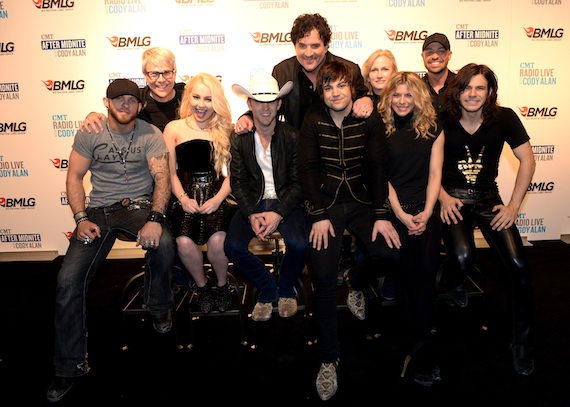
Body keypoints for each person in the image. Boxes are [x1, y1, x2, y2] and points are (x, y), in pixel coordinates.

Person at [46, 78, 175, 402]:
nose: (125, 106)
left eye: (132, 100)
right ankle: (69, 365)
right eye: (119, 100)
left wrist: (155, 220)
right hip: (98, 212)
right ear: (106, 102)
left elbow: (162, 177)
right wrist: (81, 219)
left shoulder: (150, 134)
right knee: (67, 279)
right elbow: (74, 177)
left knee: (166, 243)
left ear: (140, 105)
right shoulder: (90, 131)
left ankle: (157, 305)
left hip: (138, 208)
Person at [297, 60, 400, 401]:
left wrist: (382, 214)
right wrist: (317, 215)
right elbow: (307, 170)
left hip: (361, 202)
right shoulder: (312, 120)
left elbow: (377, 166)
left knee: (388, 253)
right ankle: (329, 358)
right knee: (323, 279)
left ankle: (355, 281)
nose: (336, 92)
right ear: (321, 92)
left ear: (352, 88)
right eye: (328, 87)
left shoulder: (367, 117)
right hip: (325, 206)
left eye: (341, 85)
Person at [438, 63, 536, 376]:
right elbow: (424, 164)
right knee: (464, 257)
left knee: (519, 267)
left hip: (488, 199)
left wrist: (513, 206)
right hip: (451, 197)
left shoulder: (504, 117)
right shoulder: (443, 118)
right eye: (467, 87)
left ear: (490, 92)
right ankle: (452, 278)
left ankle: (521, 343)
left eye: (480, 88)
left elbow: (528, 160)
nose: (473, 94)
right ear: (457, 90)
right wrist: (441, 196)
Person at [377, 71, 445, 386]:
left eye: (409, 95)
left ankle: (421, 339)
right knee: (404, 275)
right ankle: (419, 345)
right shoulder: (378, 129)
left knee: (426, 274)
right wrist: (403, 215)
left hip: (426, 209)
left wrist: (429, 211)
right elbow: (382, 178)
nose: (403, 101)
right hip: (396, 210)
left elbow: (435, 175)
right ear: (389, 97)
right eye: (397, 95)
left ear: (419, 97)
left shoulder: (434, 129)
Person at [224, 73, 308, 322]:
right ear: (249, 104)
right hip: (252, 202)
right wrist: (251, 214)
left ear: (279, 104)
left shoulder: (292, 137)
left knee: (300, 244)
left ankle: (285, 289)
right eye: (258, 101)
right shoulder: (239, 139)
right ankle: (269, 288)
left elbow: (298, 183)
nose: (265, 107)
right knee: (232, 247)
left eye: (271, 101)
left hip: (286, 202)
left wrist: (279, 212)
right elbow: (237, 182)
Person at [163, 73, 235, 314]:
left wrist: (217, 199)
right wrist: (183, 199)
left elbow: (232, 176)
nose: (201, 105)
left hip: (218, 194)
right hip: (185, 195)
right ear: (188, 97)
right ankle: (202, 286)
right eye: (196, 97)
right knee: (183, 242)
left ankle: (222, 287)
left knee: (218, 242)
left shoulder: (226, 129)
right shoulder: (174, 128)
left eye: (208, 99)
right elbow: (169, 173)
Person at [234, 13, 373, 134]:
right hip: (297, 152)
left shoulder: (350, 69)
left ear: (326, 46)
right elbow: (270, 106)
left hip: (336, 152)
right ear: (294, 46)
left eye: (315, 46)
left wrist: (367, 100)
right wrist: (248, 117)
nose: (308, 53)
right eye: (302, 46)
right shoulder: (282, 71)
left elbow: (366, 98)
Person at [361, 48, 399, 301]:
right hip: (367, 182)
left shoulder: (405, 101)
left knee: (398, 236)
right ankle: (360, 283)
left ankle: (393, 277)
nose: (379, 74)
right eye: (374, 69)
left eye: (384, 68)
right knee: (369, 239)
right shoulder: (360, 104)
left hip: (400, 178)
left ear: (394, 72)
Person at [80, 46, 185, 133]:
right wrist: (92, 116)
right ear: (145, 74)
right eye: (154, 74)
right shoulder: (135, 98)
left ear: (174, 73)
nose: (161, 80)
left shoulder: (188, 96)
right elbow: (116, 114)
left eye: (166, 73)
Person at [421, 33, 456, 116]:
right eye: (429, 52)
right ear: (423, 56)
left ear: (449, 55)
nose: (435, 56)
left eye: (441, 51)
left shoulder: (460, 85)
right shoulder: (417, 88)